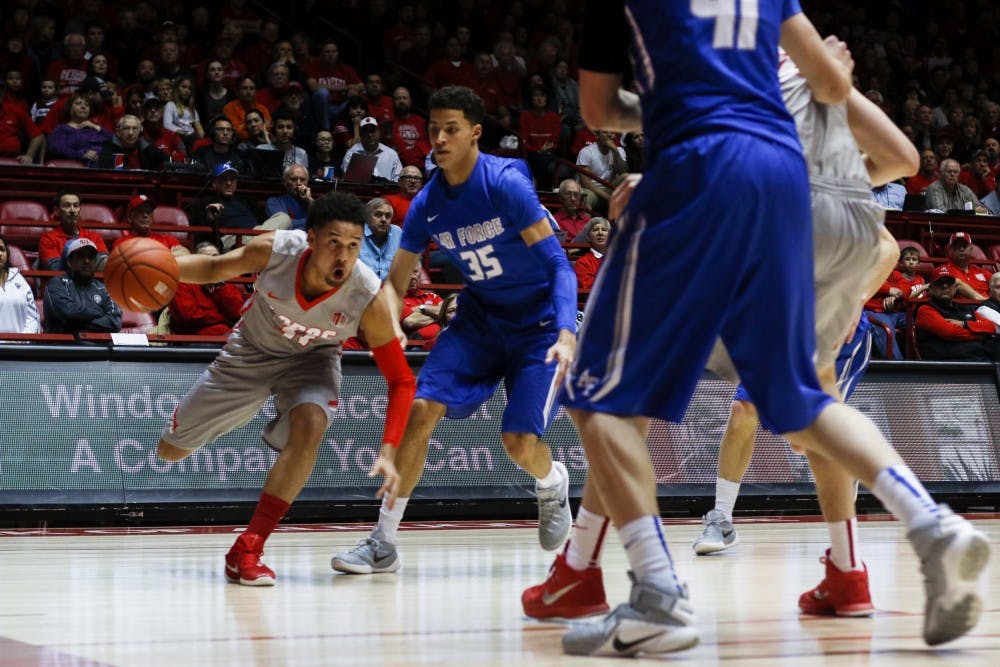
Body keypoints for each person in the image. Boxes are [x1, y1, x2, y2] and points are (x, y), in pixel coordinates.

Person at [551, 2, 988, 657]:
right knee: (802, 396)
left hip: (713, 178)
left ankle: (649, 586)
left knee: (604, 395)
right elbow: (865, 117)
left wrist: (675, 138)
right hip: (806, 196)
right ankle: (926, 526)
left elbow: (600, 108)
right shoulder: (772, 22)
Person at [330, 86, 577, 575]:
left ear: (475, 133)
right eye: (433, 130)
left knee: (518, 444)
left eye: (451, 130)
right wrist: (389, 322)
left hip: (540, 326)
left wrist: (567, 331)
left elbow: (558, 265)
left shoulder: (505, 185)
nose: (439, 140)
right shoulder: (426, 203)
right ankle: (382, 541)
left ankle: (552, 482)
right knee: (420, 409)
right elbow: (396, 282)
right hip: (479, 322)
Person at [157, 192, 416, 586]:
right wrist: (159, 267)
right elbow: (213, 267)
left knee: (311, 424)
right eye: (334, 243)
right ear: (311, 239)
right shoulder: (276, 251)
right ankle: (235, 412)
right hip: (251, 351)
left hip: (314, 359)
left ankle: (248, 548)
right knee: (170, 451)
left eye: (353, 246)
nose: (344, 257)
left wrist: (390, 446)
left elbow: (402, 380)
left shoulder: (366, 294)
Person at [190, 162, 289, 251]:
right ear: (214, 183)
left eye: (232, 179)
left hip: (256, 233)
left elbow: (265, 222)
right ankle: (265, 242)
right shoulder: (204, 203)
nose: (229, 183)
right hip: (232, 239)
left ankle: (261, 241)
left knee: (283, 217)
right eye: (224, 179)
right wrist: (210, 219)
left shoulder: (247, 201)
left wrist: (259, 231)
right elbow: (200, 233)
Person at [43, 238, 122, 335]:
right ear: (69, 262)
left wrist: (75, 327)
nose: (87, 261)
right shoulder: (57, 284)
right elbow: (68, 312)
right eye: (81, 256)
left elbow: (114, 323)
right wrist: (100, 312)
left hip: (98, 344)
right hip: (64, 343)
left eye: (91, 257)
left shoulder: (104, 289)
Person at [167, 241, 247, 336]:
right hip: (196, 338)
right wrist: (221, 317)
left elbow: (237, 313)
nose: (212, 262)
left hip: (228, 335)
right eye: (205, 258)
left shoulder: (224, 284)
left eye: (216, 257)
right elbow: (188, 316)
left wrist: (220, 286)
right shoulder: (183, 282)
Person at [914, 274, 1000, 361]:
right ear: (931, 289)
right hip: (946, 362)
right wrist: (981, 335)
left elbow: (990, 327)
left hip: (975, 357)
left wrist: (964, 324)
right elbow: (950, 332)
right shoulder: (925, 309)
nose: (945, 286)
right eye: (940, 283)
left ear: (955, 288)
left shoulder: (964, 308)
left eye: (949, 283)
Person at [866, 246, 927, 359]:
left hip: (896, 313)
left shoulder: (895, 274)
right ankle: (898, 365)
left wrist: (896, 296)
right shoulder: (868, 272)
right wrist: (889, 290)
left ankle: (927, 358)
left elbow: (906, 288)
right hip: (875, 312)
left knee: (924, 322)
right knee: (886, 330)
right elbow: (868, 283)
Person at [38, 191, 109, 271]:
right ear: (57, 211)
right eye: (67, 206)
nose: (72, 210)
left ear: (79, 210)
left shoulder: (94, 237)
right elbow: (55, 267)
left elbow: (104, 264)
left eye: (75, 206)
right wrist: (89, 263)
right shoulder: (48, 239)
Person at [44, 93, 109, 166]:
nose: (83, 107)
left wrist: (95, 126)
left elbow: (112, 141)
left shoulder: (93, 129)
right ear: (70, 109)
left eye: (87, 105)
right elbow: (56, 147)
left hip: (97, 168)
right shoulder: (61, 129)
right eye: (78, 104)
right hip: (71, 168)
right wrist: (81, 154)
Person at [112, 195, 188, 257]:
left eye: (148, 212)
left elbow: (185, 255)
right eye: (140, 211)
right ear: (129, 217)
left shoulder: (168, 240)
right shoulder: (121, 243)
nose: (145, 215)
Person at [340, 116, 402, 183]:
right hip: (360, 189)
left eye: (373, 130)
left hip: (386, 189)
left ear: (379, 132)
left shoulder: (391, 154)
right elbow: (349, 181)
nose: (370, 134)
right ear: (360, 134)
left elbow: (398, 179)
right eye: (366, 131)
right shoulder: (351, 153)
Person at [932, 232, 993, 299]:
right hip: (962, 305)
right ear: (950, 250)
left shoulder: (982, 272)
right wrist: (982, 299)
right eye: (957, 246)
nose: (961, 249)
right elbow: (956, 284)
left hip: (988, 304)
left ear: (971, 249)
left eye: (964, 246)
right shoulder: (943, 270)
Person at [0, 233, 40, 335]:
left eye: (2, 249)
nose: (0, 254)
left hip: (20, 343)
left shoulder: (19, 279)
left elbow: (32, 317)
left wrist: (23, 340)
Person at [97, 114, 168, 170]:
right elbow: (109, 170)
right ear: (118, 132)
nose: (131, 133)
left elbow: (167, 161)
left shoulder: (147, 146)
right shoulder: (108, 146)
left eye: (135, 128)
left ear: (140, 130)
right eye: (126, 128)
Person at [0, 82, 45, 164]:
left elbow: (38, 136)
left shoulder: (14, 110)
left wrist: (29, 155)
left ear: (3, 94)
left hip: (10, 161)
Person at [358, 198, 401, 280]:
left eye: (387, 216)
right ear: (366, 217)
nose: (384, 220)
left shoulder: (397, 233)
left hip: (389, 286)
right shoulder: (358, 232)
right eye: (378, 215)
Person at [265, 164, 313, 231]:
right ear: (285, 182)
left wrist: (309, 200)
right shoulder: (274, 202)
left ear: (307, 182)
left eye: (302, 180)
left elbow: (323, 221)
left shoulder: (311, 202)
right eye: (293, 179)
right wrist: (313, 223)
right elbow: (285, 225)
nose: (298, 183)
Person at [573, 217, 610, 291]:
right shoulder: (583, 262)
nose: (600, 233)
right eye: (595, 230)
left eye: (604, 230)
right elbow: (587, 287)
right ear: (588, 237)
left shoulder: (619, 259)